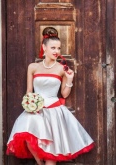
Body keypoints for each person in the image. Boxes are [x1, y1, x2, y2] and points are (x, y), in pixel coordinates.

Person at [6, 27, 94, 165]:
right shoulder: (33, 67)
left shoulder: (62, 68)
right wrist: (30, 104)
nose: (56, 51)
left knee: (51, 153)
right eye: (53, 47)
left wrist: (70, 79)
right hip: (36, 110)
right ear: (44, 47)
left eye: (59, 48)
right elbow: (29, 90)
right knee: (28, 135)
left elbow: (64, 93)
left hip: (54, 112)